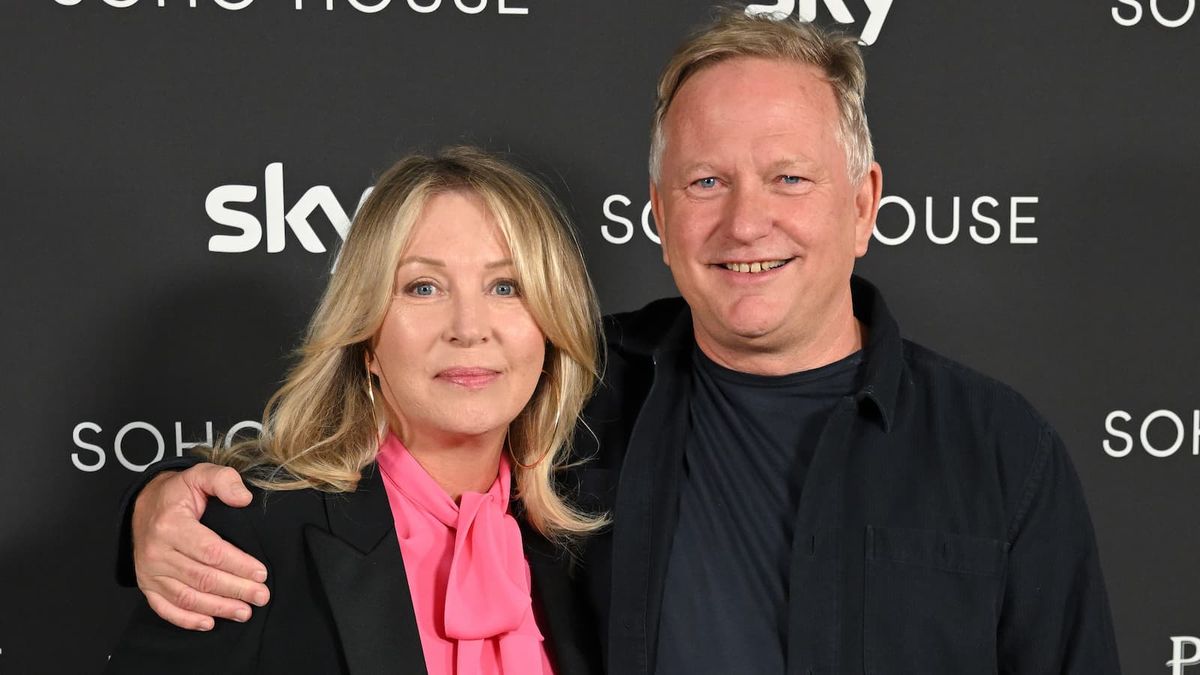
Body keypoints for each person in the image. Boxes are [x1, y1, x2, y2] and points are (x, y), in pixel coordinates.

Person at [116, 9, 1123, 674]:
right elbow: (377, 470)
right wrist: (159, 511)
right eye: (705, 182)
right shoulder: (577, 397)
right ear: (658, 211)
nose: (744, 223)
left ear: (863, 206)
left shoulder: (1001, 452)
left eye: (788, 178)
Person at [105, 147, 606, 675]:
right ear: (366, 337)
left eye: (506, 287)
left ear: (549, 329)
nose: (469, 326)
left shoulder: (587, 547)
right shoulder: (250, 539)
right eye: (423, 287)